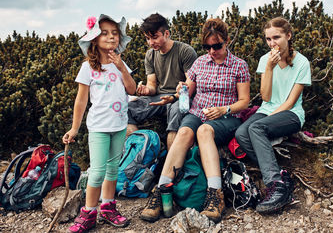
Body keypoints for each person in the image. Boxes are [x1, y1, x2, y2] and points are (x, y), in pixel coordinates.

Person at [140, 18, 250, 223]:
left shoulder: (239, 66)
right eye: (207, 47)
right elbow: (188, 90)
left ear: (226, 41)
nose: (212, 51)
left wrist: (223, 109)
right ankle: (162, 190)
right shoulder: (200, 63)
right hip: (197, 112)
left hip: (226, 117)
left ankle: (214, 195)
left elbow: (244, 101)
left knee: (204, 132)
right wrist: (176, 95)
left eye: (216, 46)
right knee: (183, 133)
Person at [63, 14, 135, 232]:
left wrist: (122, 68)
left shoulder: (121, 65)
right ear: (94, 39)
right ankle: (89, 212)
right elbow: (81, 100)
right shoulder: (88, 67)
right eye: (105, 33)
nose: (111, 37)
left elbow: (131, 89)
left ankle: (108, 207)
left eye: (115, 33)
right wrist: (74, 128)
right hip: (99, 128)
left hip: (119, 125)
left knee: (113, 169)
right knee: (97, 171)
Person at [235, 17, 312, 214]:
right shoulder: (265, 60)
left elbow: (290, 102)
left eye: (276, 37)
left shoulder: (302, 62)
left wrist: (266, 119)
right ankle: (279, 173)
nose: (272, 43)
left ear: (288, 35)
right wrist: (269, 67)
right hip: (267, 110)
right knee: (241, 133)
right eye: (268, 39)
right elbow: (266, 97)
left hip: (291, 114)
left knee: (256, 127)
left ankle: (275, 184)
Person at [127, 13, 197, 149]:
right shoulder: (150, 55)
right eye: (147, 38)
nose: (151, 43)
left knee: (176, 113)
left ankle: (171, 166)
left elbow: (190, 86)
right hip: (159, 97)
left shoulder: (185, 51)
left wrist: (173, 97)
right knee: (125, 109)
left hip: (179, 98)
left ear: (166, 33)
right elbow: (152, 85)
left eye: (154, 37)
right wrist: (146, 90)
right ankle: (139, 153)